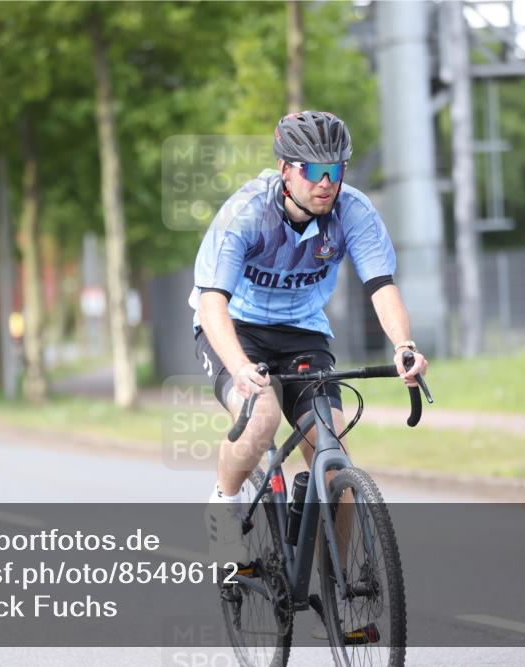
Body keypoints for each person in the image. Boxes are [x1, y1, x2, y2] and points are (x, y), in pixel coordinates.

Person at [189, 111, 429, 565]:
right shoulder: (246, 214)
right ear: (285, 170)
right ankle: (224, 503)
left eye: (335, 170)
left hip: (303, 332)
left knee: (333, 456)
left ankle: (340, 586)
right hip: (236, 327)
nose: (326, 183)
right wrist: (239, 367)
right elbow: (211, 302)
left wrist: (404, 345)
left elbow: (381, 286)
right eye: (313, 170)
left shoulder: (353, 211)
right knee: (261, 417)